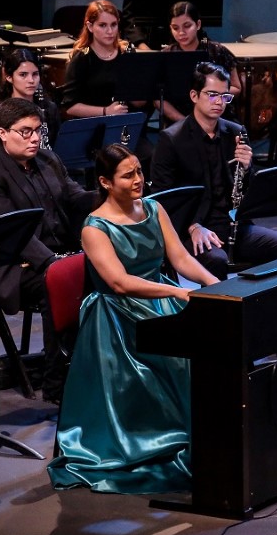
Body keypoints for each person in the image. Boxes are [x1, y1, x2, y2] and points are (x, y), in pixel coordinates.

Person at [48, 143, 221, 494]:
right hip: (116, 314)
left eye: (139, 171)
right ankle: (158, 440)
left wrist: (212, 282)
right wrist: (176, 292)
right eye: (128, 175)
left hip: (157, 297)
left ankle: (211, 436)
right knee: (172, 361)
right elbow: (119, 283)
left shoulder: (154, 208)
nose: (138, 179)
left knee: (207, 345)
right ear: (106, 182)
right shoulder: (94, 228)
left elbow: (180, 257)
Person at [0, 98, 98, 402]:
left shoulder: (49, 160)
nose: (35, 138)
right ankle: (58, 383)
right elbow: (13, 232)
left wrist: (108, 194)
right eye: (25, 132)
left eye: (38, 130)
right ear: (2, 133)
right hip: (14, 265)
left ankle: (92, 367)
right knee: (59, 285)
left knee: (107, 273)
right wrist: (54, 264)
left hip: (60, 256)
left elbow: (76, 199)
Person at [150, 62, 277, 278]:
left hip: (234, 225)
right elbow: (162, 199)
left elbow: (250, 191)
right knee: (216, 261)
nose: (219, 102)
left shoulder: (236, 132)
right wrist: (193, 227)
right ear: (194, 96)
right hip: (193, 227)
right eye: (212, 95)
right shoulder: (172, 139)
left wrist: (249, 167)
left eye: (225, 96)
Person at [156, 0, 241, 124]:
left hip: (217, 120)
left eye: (187, 26)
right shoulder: (166, 55)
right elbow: (158, 99)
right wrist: (185, 122)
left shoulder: (217, 51)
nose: (181, 33)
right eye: (175, 28)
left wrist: (213, 95)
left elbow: (236, 87)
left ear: (198, 24)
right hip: (179, 122)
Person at [60, 0, 134, 119]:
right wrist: (106, 111)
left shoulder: (126, 53)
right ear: (90, 26)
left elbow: (139, 101)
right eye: (102, 25)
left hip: (124, 123)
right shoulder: (82, 58)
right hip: (93, 125)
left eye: (113, 25)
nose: (110, 31)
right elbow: (70, 107)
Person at [0, 48, 61, 156]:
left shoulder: (49, 108)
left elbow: (57, 147)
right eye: (23, 75)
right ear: (9, 77)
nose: (31, 80)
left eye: (35, 74)